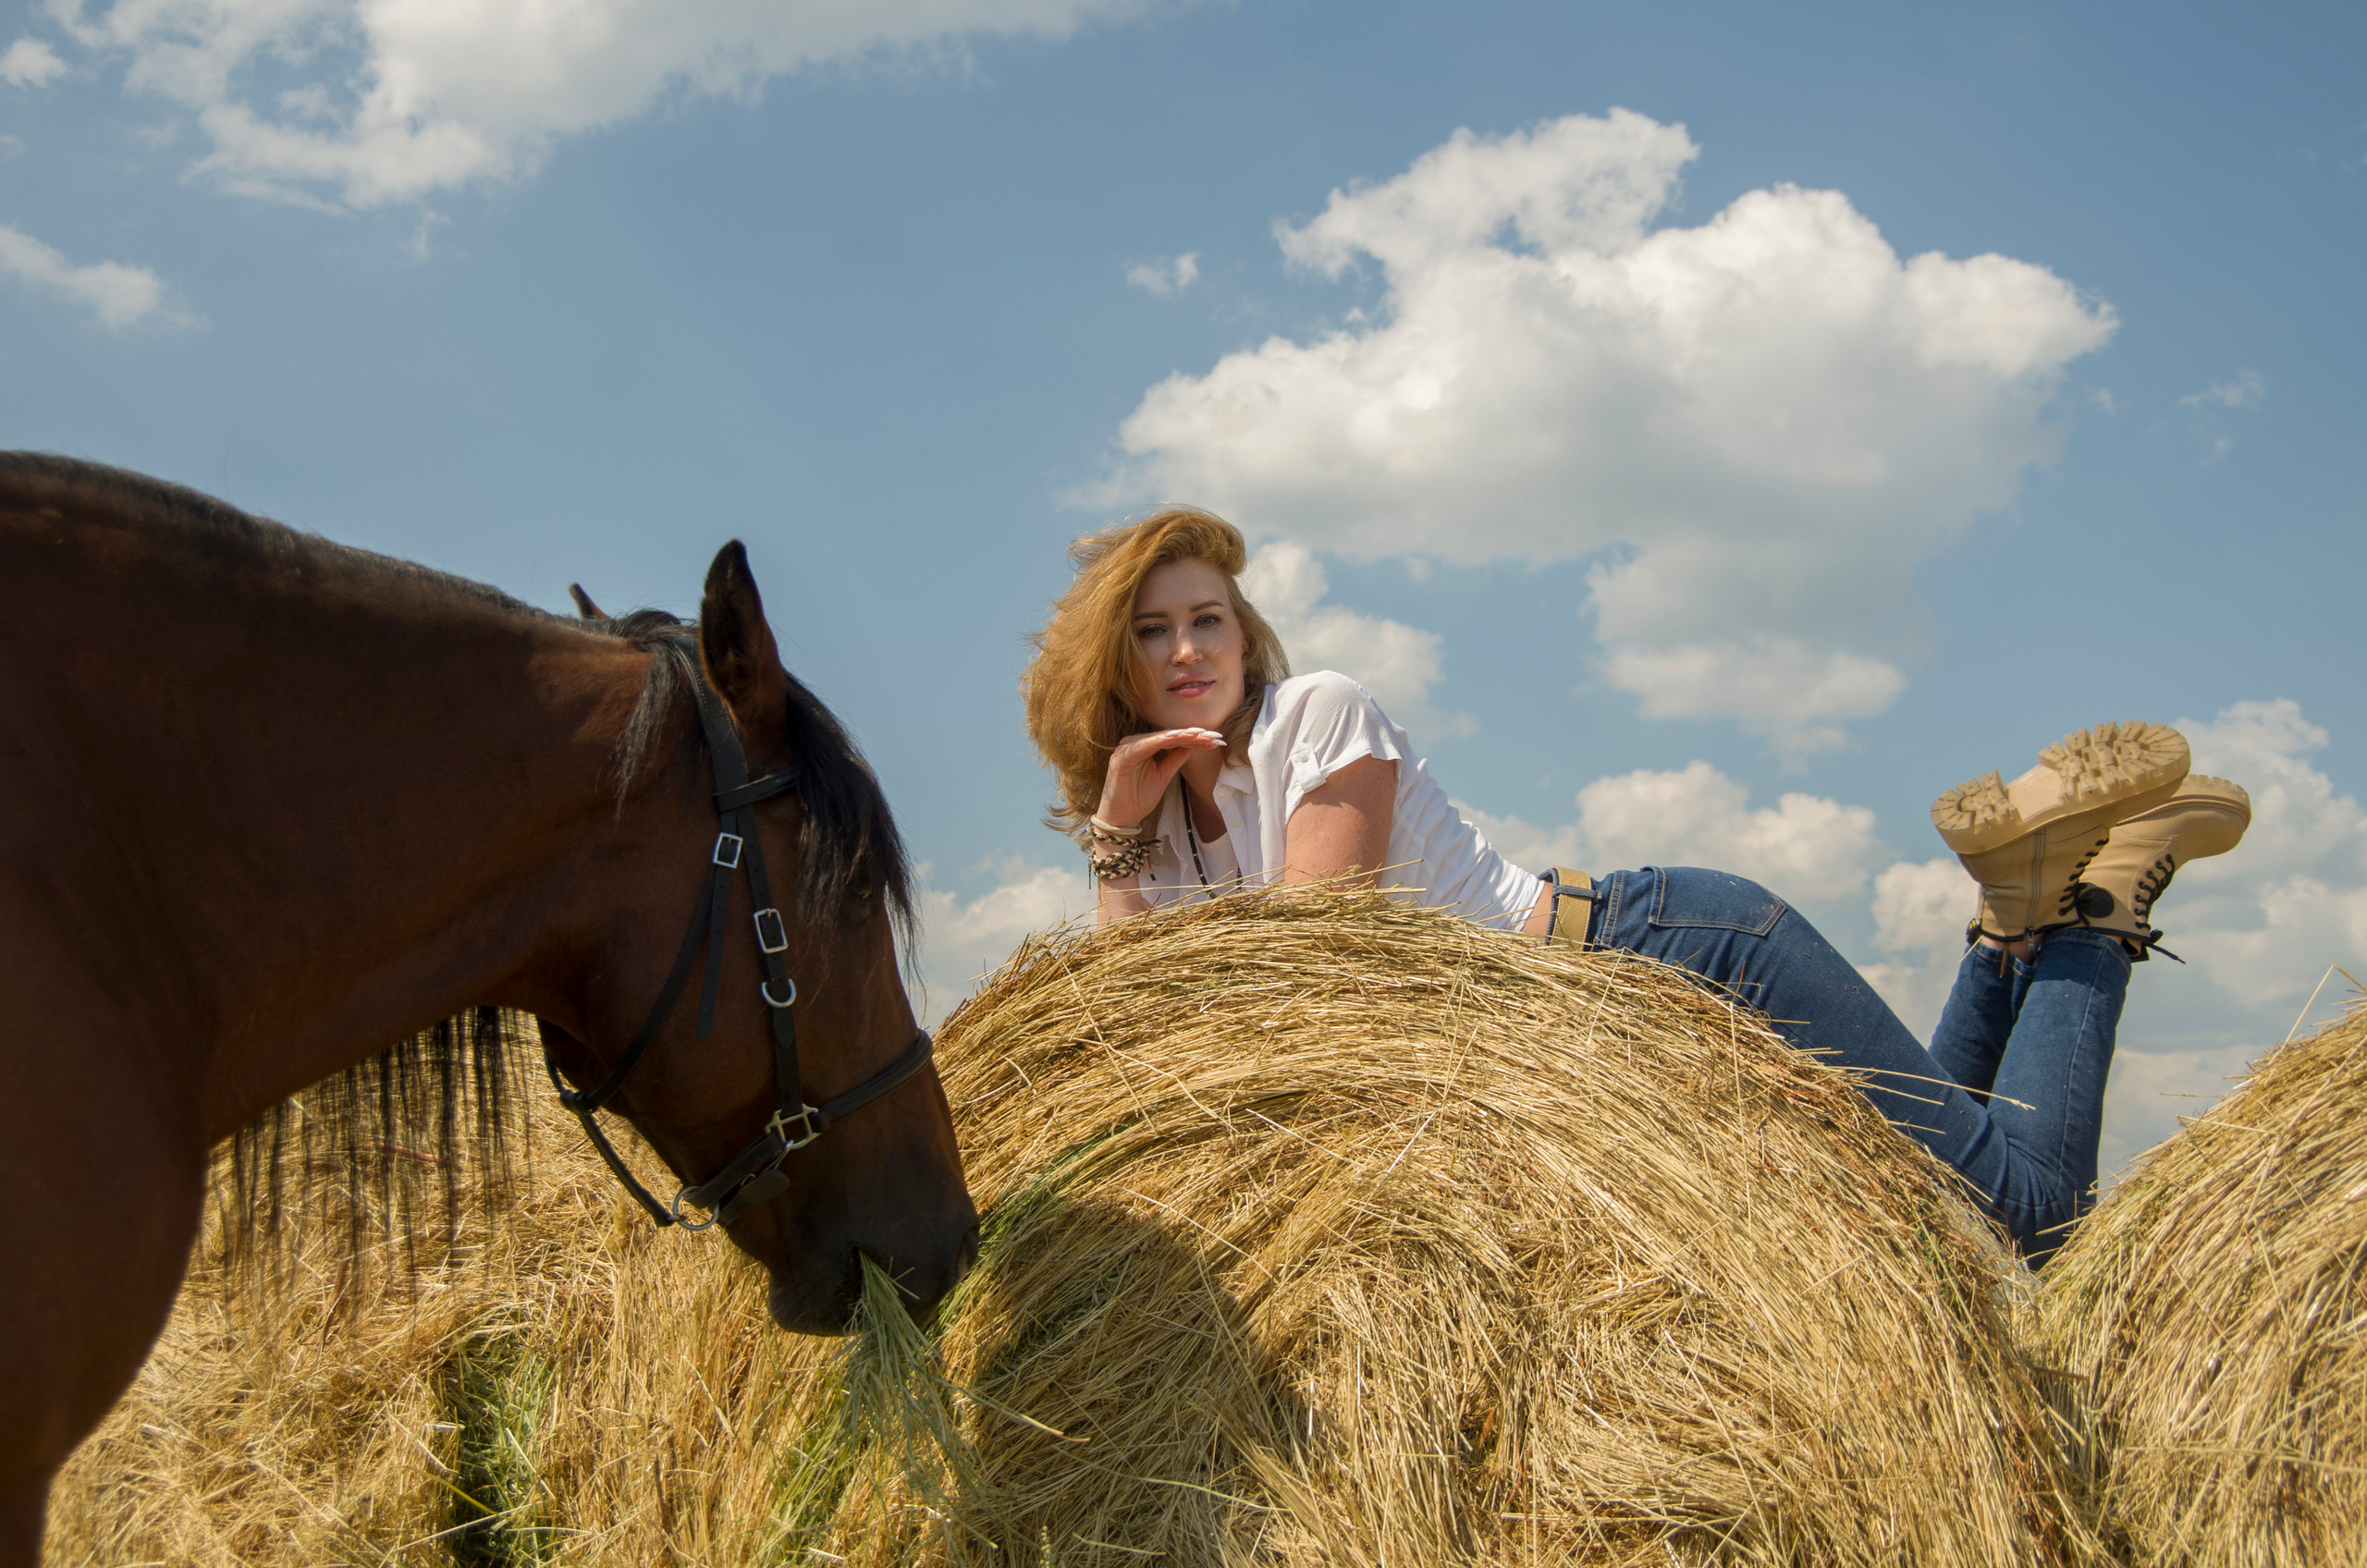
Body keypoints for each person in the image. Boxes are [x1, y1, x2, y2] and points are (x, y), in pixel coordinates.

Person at [1022, 508, 2253, 1263]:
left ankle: (2097, 912)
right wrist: (1118, 837)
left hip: (1680, 958)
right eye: (1152, 631)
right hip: (1591, 1036)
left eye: (1211, 620)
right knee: (1938, 1223)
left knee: (2023, 1216)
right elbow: (1141, 1029)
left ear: (1248, 635)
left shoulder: (1317, 714)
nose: (1190, 652)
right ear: (1106, 667)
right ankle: (2007, 921)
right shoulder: (1160, 812)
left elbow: (1313, 978)